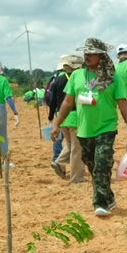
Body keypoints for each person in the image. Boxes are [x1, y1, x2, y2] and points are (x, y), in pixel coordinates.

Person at [50, 38, 127, 217]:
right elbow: (67, 102)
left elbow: (123, 105)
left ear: (101, 56)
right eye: (86, 53)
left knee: (102, 164)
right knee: (92, 166)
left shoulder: (113, 78)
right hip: (84, 130)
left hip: (106, 127)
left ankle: (100, 203)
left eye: (91, 53)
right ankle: (108, 196)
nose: (87, 56)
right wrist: (56, 124)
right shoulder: (76, 76)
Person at [49, 54, 88, 184]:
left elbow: (52, 100)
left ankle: (59, 162)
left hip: (62, 117)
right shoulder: (79, 78)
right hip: (75, 116)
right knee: (77, 148)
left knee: (71, 144)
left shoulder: (58, 79)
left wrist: (52, 118)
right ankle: (77, 177)